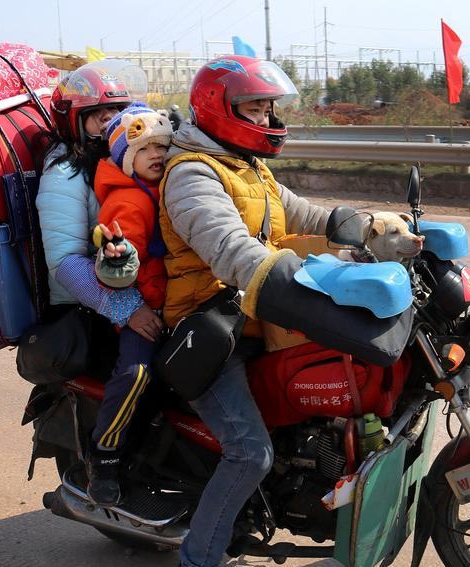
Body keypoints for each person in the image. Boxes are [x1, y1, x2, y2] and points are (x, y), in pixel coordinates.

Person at [159, 55, 333, 567]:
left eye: (268, 108)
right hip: (211, 328)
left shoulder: (248, 168)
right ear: (220, 110)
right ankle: (200, 558)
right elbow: (233, 250)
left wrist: (365, 228)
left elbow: (304, 214)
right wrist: (296, 282)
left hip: (255, 314)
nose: (266, 120)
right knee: (249, 452)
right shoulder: (191, 173)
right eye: (254, 109)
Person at [36, 60, 164, 498]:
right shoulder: (67, 172)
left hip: (163, 287)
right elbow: (66, 261)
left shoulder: (143, 158)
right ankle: (103, 459)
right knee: (137, 371)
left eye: (120, 111)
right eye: (99, 116)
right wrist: (126, 309)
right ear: (76, 122)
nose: (113, 122)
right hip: (101, 302)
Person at [84, 103, 173, 505]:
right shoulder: (129, 202)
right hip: (141, 311)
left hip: (175, 303)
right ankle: (103, 455)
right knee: (137, 374)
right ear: (125, 159)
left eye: (162, 146)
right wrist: (118, 263)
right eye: (144, 149)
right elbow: (113, 269)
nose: (156, 154)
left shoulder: (167, 188)